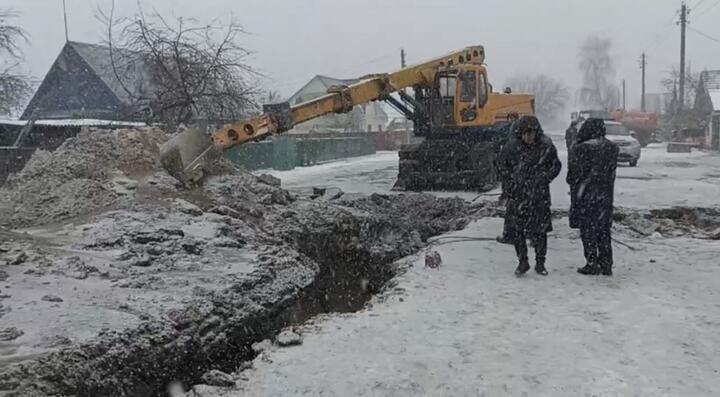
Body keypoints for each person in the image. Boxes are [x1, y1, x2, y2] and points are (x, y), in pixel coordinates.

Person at [497, 116, 562, 276]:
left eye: (531, 133)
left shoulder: (546, 146)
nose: (528, 137)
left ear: (536, 133)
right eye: (525, 134)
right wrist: (510, 180)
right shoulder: (512, 147)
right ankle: (523, 262)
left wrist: (545, 177)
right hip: (518, 195)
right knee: (518, 231)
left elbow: (556, 165)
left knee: (540, 231)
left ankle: (540, 263)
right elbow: (500, 165)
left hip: (539, 195)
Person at [567, 118, 619, 276]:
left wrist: (576, 188)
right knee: (603, 229)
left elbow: (574, 175)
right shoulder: (611, 147)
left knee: (588, 229)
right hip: (605, 194)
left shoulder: (581, 148)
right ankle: (606, 263)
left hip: (586, 195)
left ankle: (592, 261)